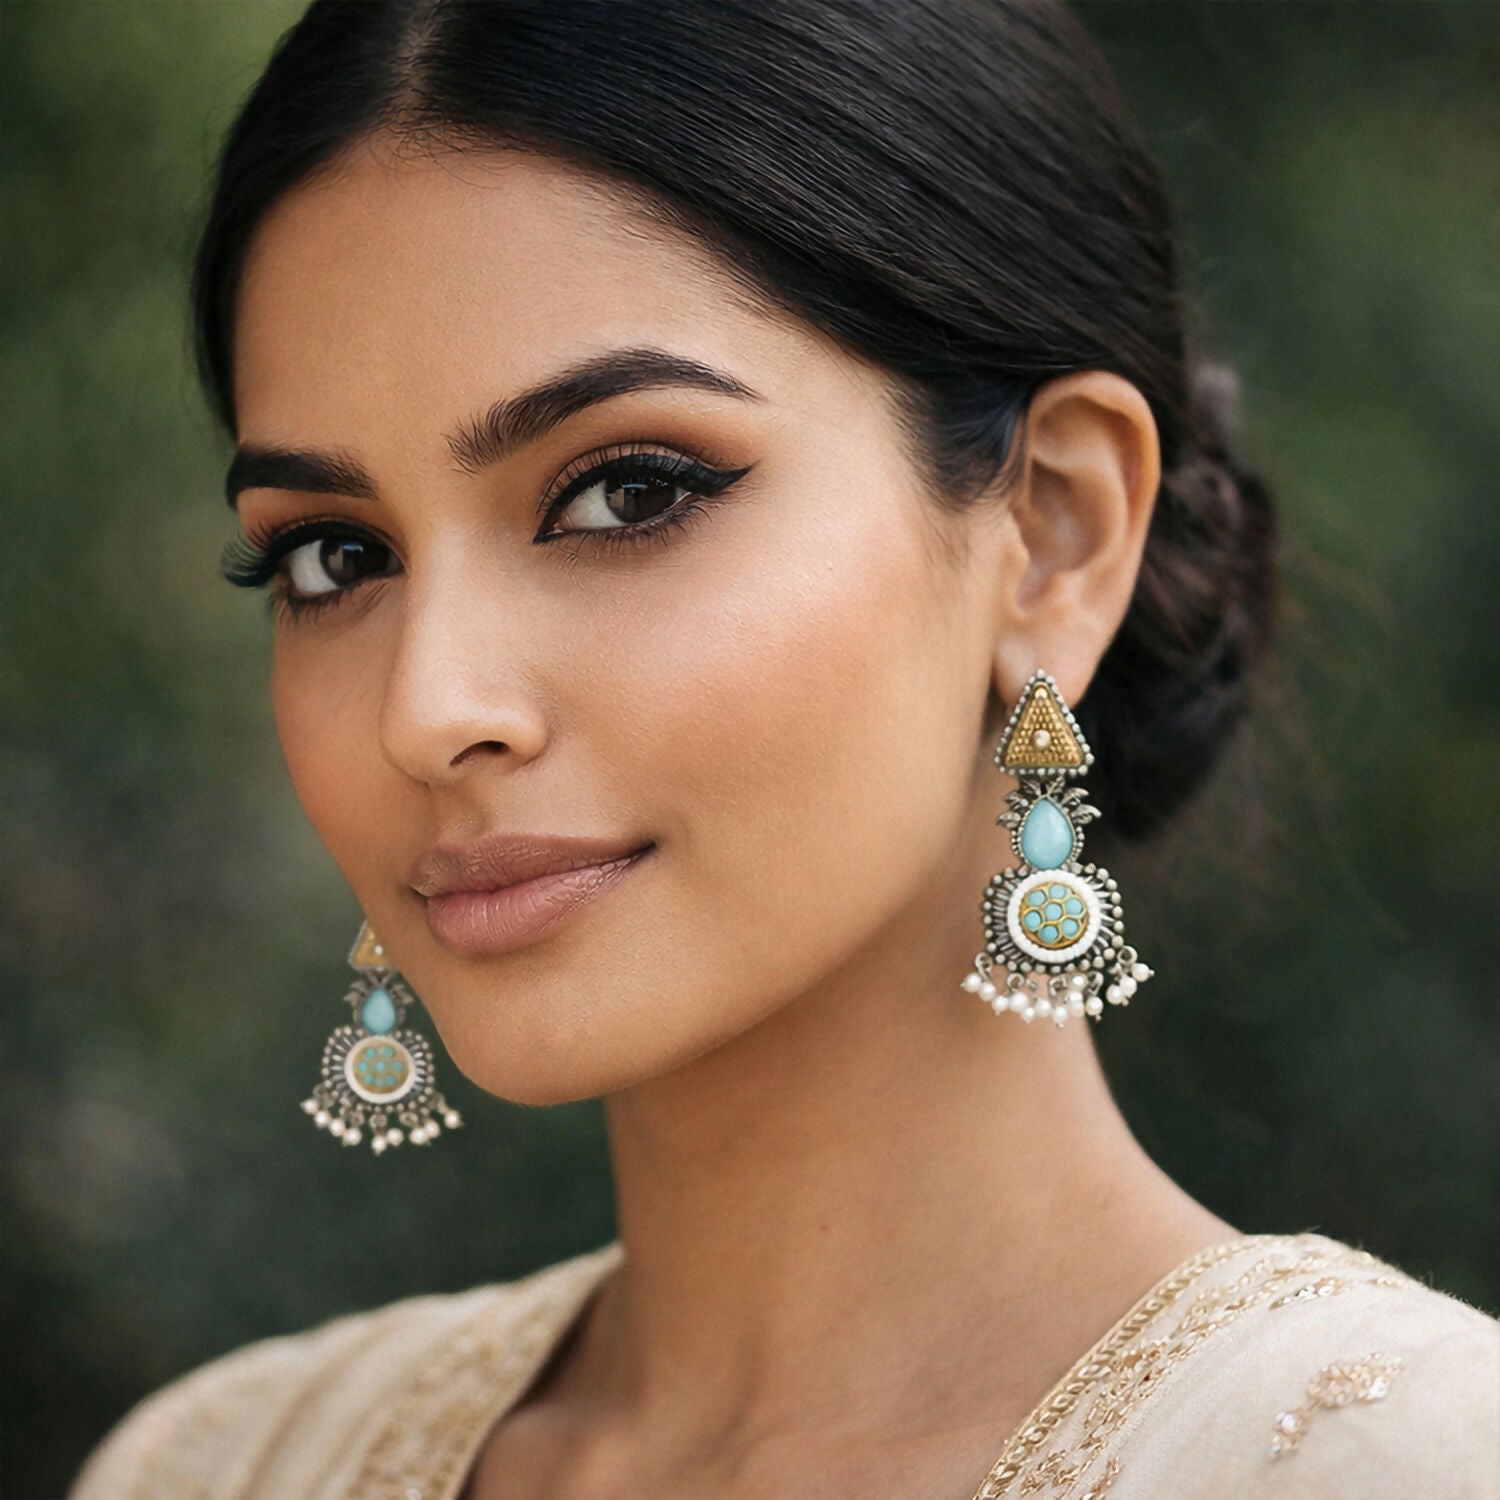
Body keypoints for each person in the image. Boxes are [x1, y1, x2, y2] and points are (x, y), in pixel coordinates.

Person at [68, 2, 1498, 1497]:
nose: (427, 707)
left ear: (1056, 530)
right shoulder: (219, 1469)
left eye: (625, 494)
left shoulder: (1400, 1465)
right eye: (332, 560)